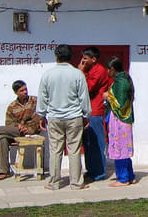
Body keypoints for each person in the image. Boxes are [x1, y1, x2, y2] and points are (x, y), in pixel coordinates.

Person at [36, 44, 91, 190]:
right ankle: (76, 182)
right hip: (74, 116)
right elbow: (83, 97)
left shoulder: (48, 74)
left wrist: (41, 115)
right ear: (70, 57)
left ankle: (54, 182)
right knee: (74, 150)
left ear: (56, 56)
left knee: (55, 150)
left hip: (54, 117)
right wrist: (86, 115)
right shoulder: (77, 74)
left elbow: (42, 97)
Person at [78, 46, 112, 181]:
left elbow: (88, 87)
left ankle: (99, 172)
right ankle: (91, 170)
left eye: (85, 59)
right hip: (87, 111)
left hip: (95, 111)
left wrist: (81, 72)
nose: (83, 61)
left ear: (94, 59)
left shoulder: (99, 71)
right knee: (88, 143)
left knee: (97, 142)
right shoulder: (90, 69)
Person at [103, 56, 136, 187]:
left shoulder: (120, 83)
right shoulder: (123, 79)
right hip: (122, 120)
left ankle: (123, 178)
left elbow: (120, 103)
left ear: (112, 69)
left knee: (120, 148)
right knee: (124, 148)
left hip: (120, 119)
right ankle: (130, 175)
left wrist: (108, 96)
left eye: (108, 69)